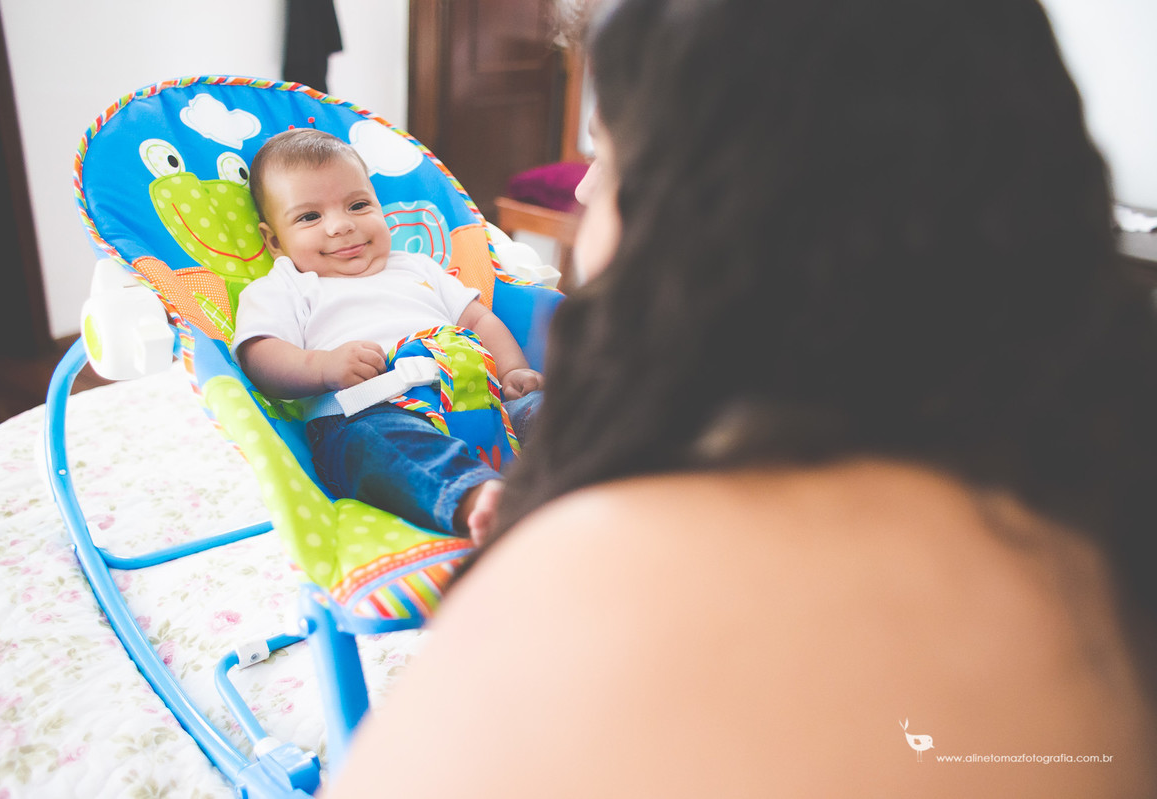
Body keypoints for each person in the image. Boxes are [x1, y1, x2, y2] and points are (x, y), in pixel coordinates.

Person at [327, 0, 1157, 795]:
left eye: (607, 156)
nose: (580, 193)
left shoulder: (591, 585)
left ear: (715, 216)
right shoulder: (1099, 512)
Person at [233, 129, 543, 544]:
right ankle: (477, 499)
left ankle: (602, 474)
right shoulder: (285, 286)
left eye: (358, 205)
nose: (342, 226)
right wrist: (322, 367)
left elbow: (479, 319)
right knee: (381, 447)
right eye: (309, 217)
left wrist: (513, 370)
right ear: (274, 240)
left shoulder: (417, 266)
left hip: (480, 401)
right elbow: (259, 355)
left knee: (548, 410)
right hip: (367, 413)